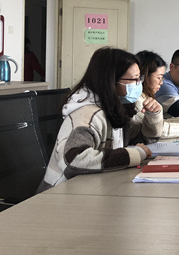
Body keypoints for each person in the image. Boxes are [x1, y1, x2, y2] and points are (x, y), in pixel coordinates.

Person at [38, 47, 162, 192]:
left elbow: (145, 139)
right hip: (60, 194)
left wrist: (153, 116)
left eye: (139, 78)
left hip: (92, 187)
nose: (139, 84)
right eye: (134, 79)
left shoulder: (115, 107)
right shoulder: (87, 114)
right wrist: (135, 154)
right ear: (111, 81)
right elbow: (73, 161)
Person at [136, 50, 179, 138]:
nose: (161, 82)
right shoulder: (137, 100)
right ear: (143, 76)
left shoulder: (145, 97)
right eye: (159, 77)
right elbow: (154, 130)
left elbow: (158, 123)